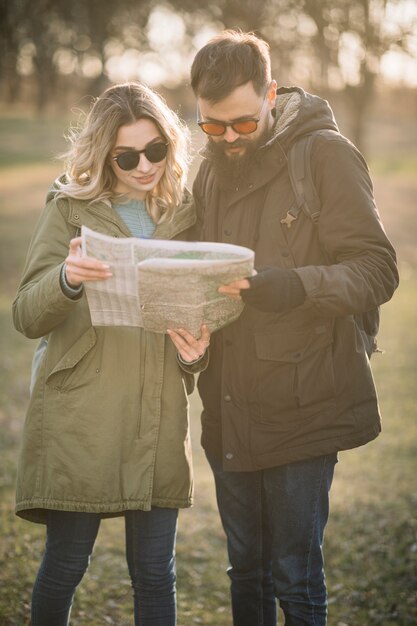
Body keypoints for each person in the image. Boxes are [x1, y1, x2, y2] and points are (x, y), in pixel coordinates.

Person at [190, 30, 399, 625]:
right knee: (245, 572)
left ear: (271, 95)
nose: (228, 139)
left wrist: (292, 286)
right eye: (212, 126)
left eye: (242, 124)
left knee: (293, 576)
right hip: (227, 405)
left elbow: (377, 269)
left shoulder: (326, 154)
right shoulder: (207, 170)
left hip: (306, 405)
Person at [12, 81, 210, 626]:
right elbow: (27, 315)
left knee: (155, 573)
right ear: (104, 155)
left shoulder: (185, 212)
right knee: (66, 563)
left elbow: (198, 317)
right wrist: (66, 279)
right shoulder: (69, 208)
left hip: (157, 413)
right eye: (127, 156)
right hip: (82, 416)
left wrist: (195, 354)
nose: (144, 165)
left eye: (157, 150)